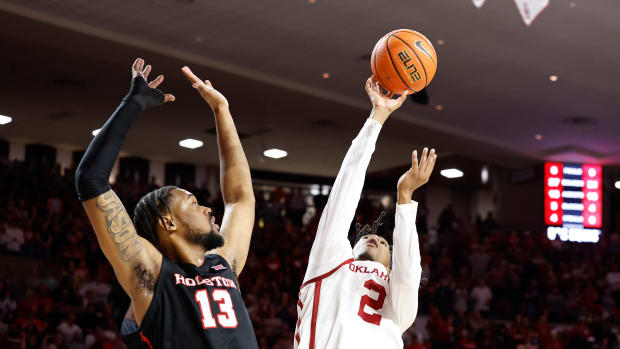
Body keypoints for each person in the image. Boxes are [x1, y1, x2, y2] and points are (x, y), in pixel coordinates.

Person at [75, 58, 258, 348]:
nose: (208, 208)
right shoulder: (150, 274)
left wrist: (222, 110)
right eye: (193, 202)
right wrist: (133, 102)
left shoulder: (223, 264)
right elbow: (90, 180)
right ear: (168, 221)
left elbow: (240, 198)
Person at [294, 77, 437, 348]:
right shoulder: (330, 261)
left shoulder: (398, 300)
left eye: (385, 243)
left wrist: (405, 198)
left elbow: (408, 273)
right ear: (350, 246)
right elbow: (344, 194)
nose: (378, 239)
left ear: (389, 262)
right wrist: (377, 117)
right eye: (372, 237)